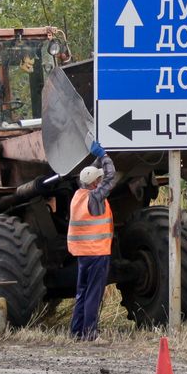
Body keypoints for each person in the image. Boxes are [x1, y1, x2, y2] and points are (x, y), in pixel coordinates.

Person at [68, 141, 116, 342]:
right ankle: (90, 333)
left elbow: (90, 175)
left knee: (82, 292)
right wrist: (105, 155)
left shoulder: (78, 195)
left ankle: (76, 331)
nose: (101, 180)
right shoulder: (95, 198)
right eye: (99, 179)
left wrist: (96, 159)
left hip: (82, 254)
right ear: (96, 184)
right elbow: (111, 176)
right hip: (97, 253)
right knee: (93, 294)